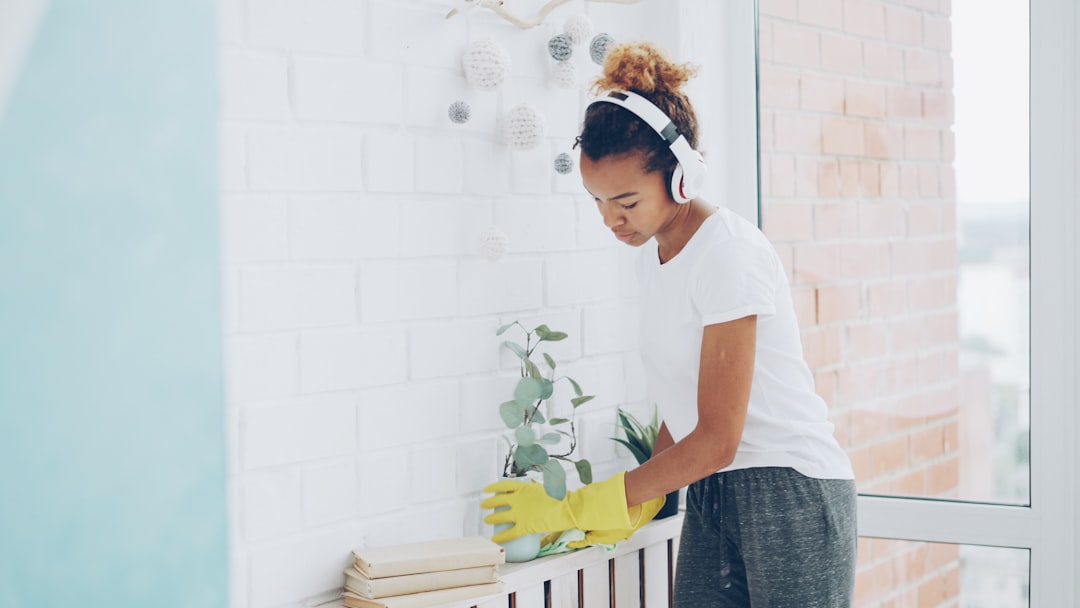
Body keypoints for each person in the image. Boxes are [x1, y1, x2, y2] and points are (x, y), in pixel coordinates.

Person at [482, 41, 857, 607]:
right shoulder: (656, 263)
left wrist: (582, 504)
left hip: (788, 494)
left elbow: (717, 439)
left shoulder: (728, 255)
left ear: (681, 177)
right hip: (712, 492)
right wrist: (643, 498)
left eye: (626, 201)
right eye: (599, 200)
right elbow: (682, 404)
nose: (611, 218)